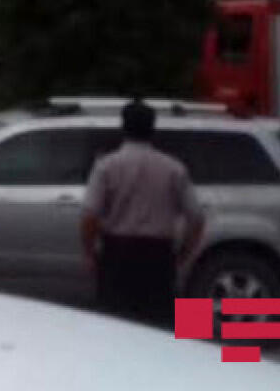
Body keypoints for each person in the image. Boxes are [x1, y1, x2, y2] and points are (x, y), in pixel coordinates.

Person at [81, 99, 206, 325]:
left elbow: (89, 215)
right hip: (158, 256)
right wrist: (182, 255)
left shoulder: (106, 166)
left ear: (123, 127)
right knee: (158, 324)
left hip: (117, 255)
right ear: (152, 128)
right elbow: (196, 218)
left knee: (115, 323)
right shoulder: (173, 168)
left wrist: (90, 254)